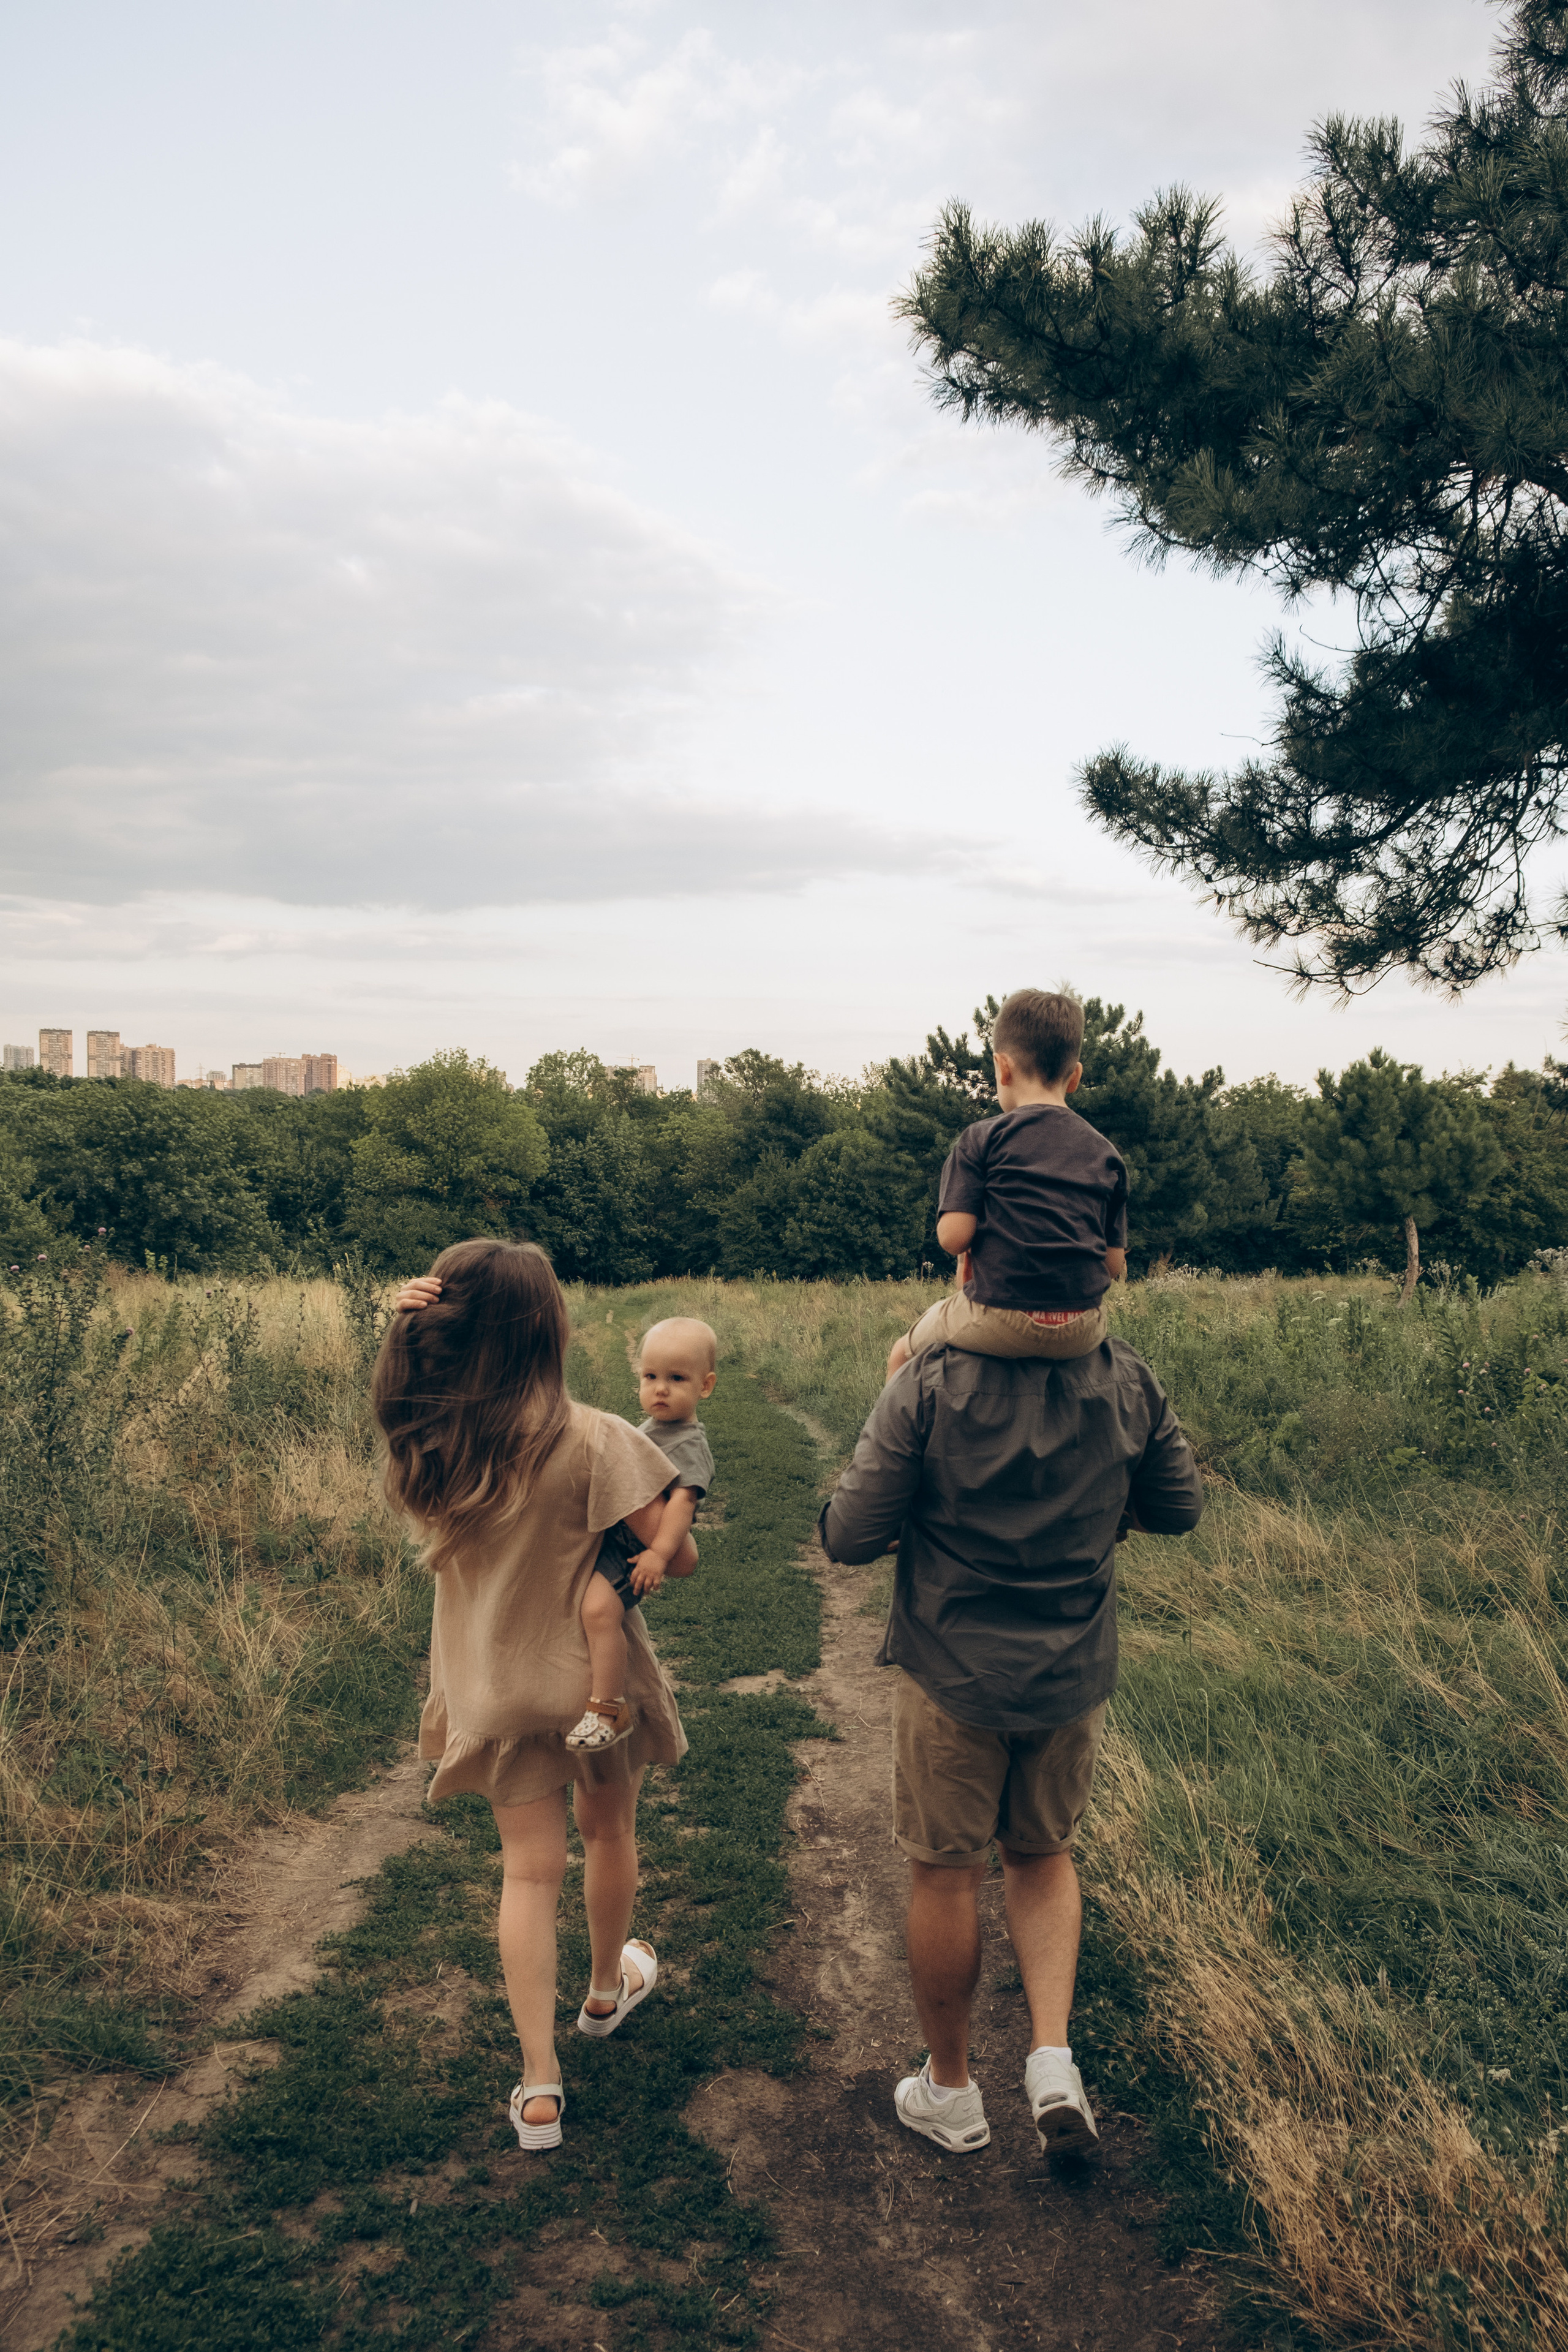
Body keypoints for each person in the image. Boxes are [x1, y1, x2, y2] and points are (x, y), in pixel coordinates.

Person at [818, 1315, 1203, 2156]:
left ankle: (951, 2093)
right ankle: (1053, 2061)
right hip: (1069, 1674)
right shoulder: (1128, 1375)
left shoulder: (928, 1380)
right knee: (1042, 1854)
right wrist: (1106, 1516)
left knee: (948, 1877)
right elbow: (1180, 1508)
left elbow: (848, 1534)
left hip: (953, 1672)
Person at [375, 1241, 696, 2155]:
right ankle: (604, 1992)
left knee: (526, 1873)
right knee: (609, 1831)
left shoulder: (429, 1440)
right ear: (549, 1332)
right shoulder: (593, 1436)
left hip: (495, 1692)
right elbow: (677, 1554)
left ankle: (541, 2085)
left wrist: (399, 1338)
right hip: (593, 1694)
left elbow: (396, 1400)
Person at [886, 989, 1127, 1384]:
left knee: (902, 1352)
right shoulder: (1106, 1153)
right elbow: (1113, 1265)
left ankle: (892, 1446)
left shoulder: (981, 1138)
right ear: (1076, 1078)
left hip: (1000, 1319)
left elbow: (953, 1238)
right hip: (1084, 1328)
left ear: (1002, 1068)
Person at [567, 1318, 717, 1752]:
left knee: (598, 1612)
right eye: (650, 1377)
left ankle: (608, 1709)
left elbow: (682, 1504)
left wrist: (658, 1553)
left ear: (705, 1386)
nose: (660, 1389)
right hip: (617, 1539)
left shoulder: (687, 1443)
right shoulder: (652, 1430)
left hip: (633, 1551)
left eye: (676, 1379)